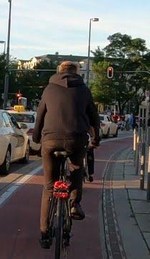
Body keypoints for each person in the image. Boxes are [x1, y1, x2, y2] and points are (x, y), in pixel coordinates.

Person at [32, 61, 100, 249]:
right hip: (76, 140)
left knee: (48, 186)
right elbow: (94, 117)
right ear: (78, 73)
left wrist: (37, 138)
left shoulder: (48, 89)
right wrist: (96, 139)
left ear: (59, 71)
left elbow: (40, 116)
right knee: (77, 168)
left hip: (50, 140)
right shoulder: (84, 90)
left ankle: (45, 233)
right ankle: (74, 204)